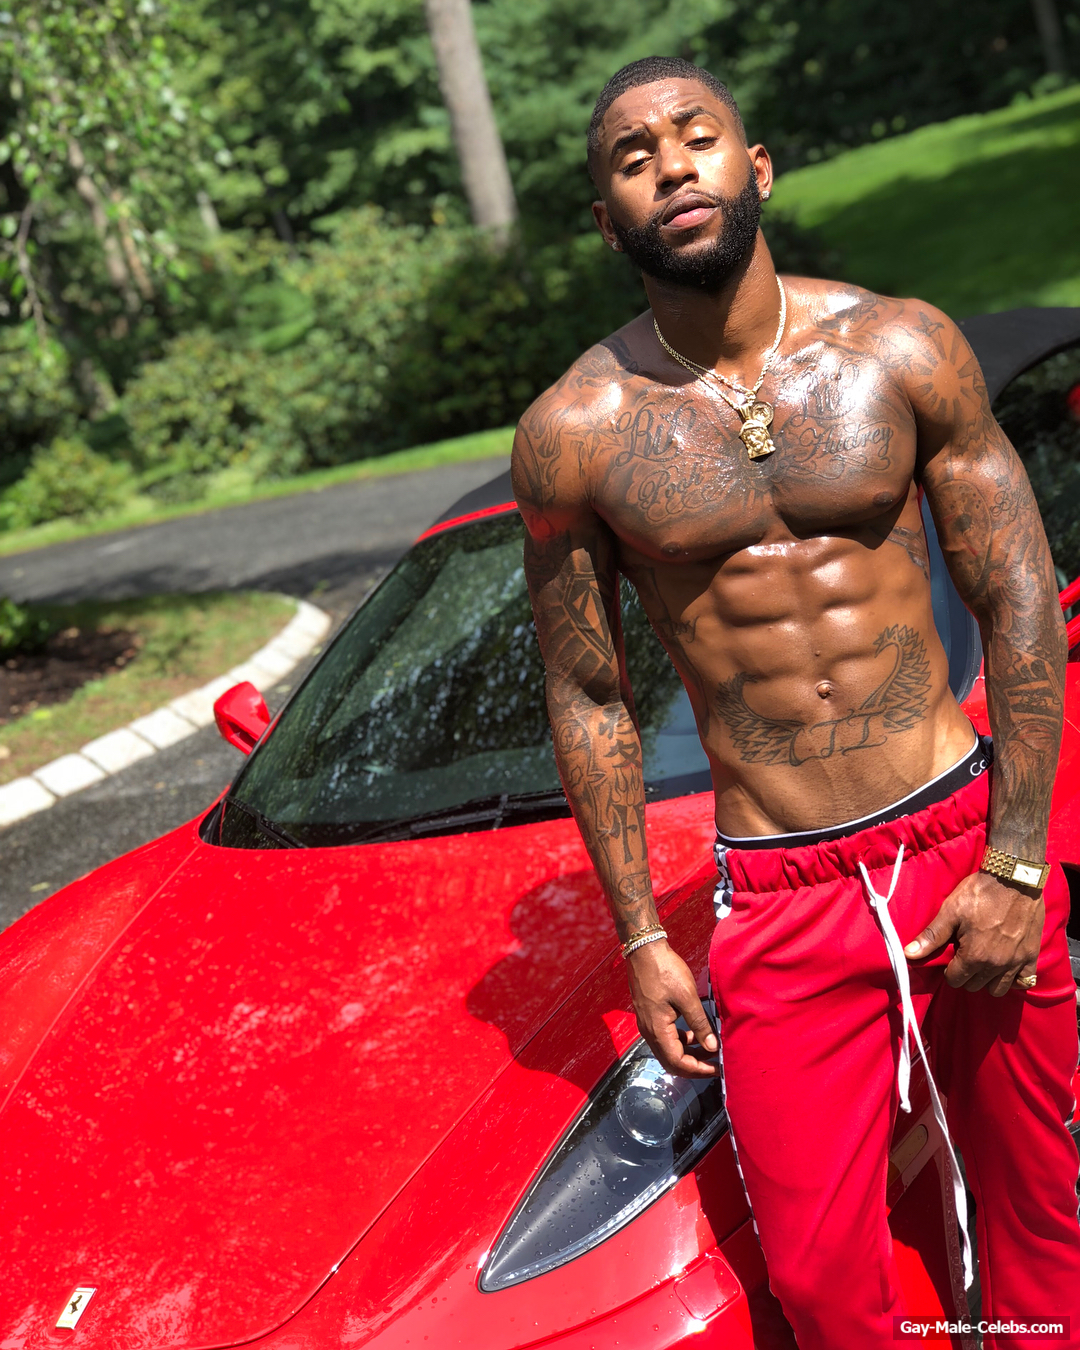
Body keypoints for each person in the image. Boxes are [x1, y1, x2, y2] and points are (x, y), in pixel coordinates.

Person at [513, 55, 1080, 1350]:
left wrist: (1015, 858)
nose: (671, 165)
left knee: (1041, 1223)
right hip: (781, 891)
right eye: (633, 158)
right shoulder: (577, 432)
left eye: (696, 136)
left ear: (755, 168)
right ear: (607, 220)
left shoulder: (901, 346)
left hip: (960, 840)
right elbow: (589, 694)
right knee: (822, 1288)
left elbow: (1018, 595)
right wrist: (641, 938)